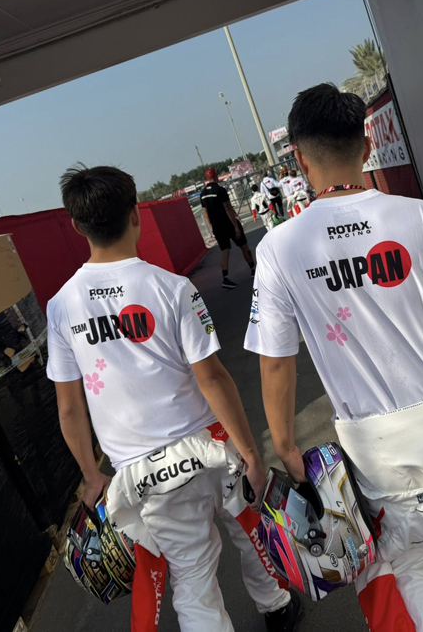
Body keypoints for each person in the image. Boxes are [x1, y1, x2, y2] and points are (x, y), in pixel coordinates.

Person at [244, 84, 423, 632]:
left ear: (300, 160)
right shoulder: (422, 217)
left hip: (374, 450)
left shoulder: (278, 249)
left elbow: (276, 361)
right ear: (366, 145)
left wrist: (284, 446)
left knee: (404, 567)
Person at [47, 164, 300, 632]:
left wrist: (90, 475)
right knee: (250, 530)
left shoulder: (61, 306)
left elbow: (69, 406)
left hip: (140, 472)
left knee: (192, 578)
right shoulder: (173, 288)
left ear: (77, 226)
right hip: (209, 444)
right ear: (135, 215)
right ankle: (277, 606)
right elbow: (213, 378)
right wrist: (250, 453)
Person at [200, 168, 255, 289]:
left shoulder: (203, 194)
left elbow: (205, 213)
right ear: (216, 176)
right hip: (228, 223)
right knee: (244, 246)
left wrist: (212, 227)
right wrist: (236, 226)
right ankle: (253, 269)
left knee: (225, 250)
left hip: (217, 227)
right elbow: (228, 208)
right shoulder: (220, 190)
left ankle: (225, 278)